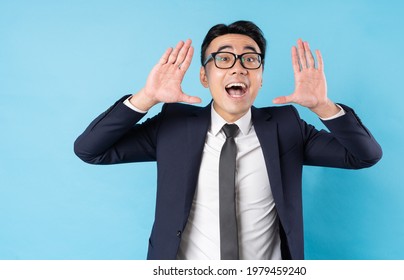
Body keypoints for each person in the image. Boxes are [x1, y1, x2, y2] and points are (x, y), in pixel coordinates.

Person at [74, 20, 382, 260]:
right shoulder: (174, 125)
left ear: (260, 75)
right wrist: (146, 98)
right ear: (204, 77)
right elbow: (90, 149)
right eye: (223, 58)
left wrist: (322, 106)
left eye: (250, 59)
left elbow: (364, 155)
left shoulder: (287, 127)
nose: (237, 66)